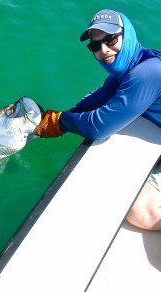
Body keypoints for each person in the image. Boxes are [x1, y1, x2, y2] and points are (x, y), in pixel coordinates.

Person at [35, 9, 161, 231]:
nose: (104, 49)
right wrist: (64, 114)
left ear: (127, 35)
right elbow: (99, 98)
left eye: (111, 39)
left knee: (139, 212)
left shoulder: (148, 73)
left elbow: (98, 126)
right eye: (95, 46)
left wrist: (60, 122)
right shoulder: (133, 67)